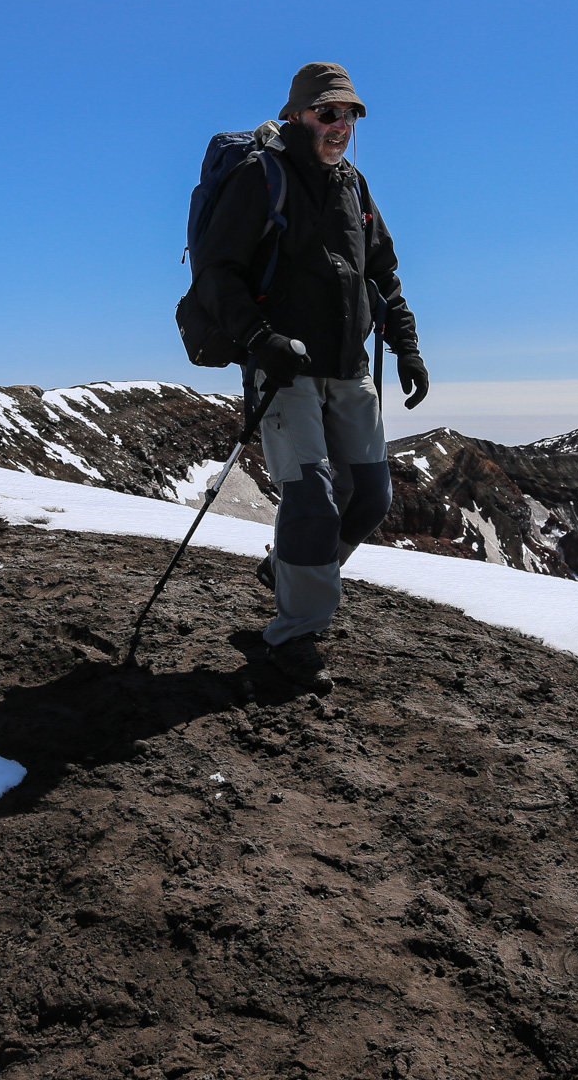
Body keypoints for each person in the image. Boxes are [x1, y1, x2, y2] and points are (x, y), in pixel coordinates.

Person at [193, 62, 429, 692]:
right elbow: (217, 273)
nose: (341, 125)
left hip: (349, 368)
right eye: (328, 113)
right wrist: (260, 339)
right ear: (297, 113)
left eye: (350, 114)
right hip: (283, 370)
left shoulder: (353, 185)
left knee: (371, 498)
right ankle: (295, 636)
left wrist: (406, 347)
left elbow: (383, 273)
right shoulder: (260, 177)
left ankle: (288, 571)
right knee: (312, 499)